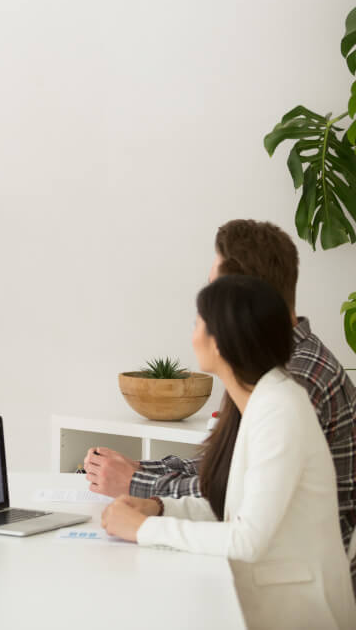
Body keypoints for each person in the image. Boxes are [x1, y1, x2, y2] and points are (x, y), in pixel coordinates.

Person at [84, 219, 356, 584]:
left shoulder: (292, 390)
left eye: (211, 297)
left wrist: (143, 514)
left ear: (235, 309)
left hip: (290, 591)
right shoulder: (264, 380)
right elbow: (231, 486)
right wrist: (158, 501)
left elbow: (246, 534)